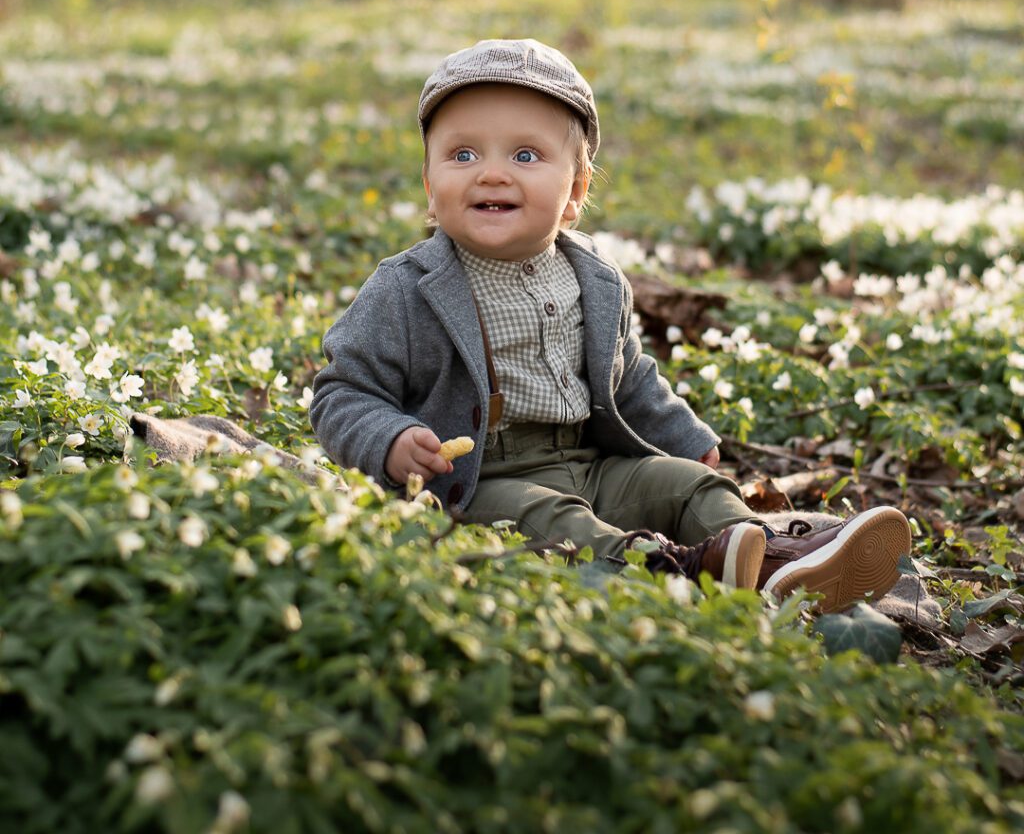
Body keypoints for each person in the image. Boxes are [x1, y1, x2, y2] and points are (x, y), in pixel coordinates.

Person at [310, 38, 911, 610]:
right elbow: (342, 391)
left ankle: (771, 560)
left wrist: (685, 440)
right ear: (429, 185)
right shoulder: (407, 287)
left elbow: (631, 380)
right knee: (557, 524)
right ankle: (673, 572)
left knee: (687, 487)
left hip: (591, 463)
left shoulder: (593, 278)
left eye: (525, 155)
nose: (490, 173)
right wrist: (388, 440)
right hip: (478, 479)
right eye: (462, 154)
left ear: (575, 190)